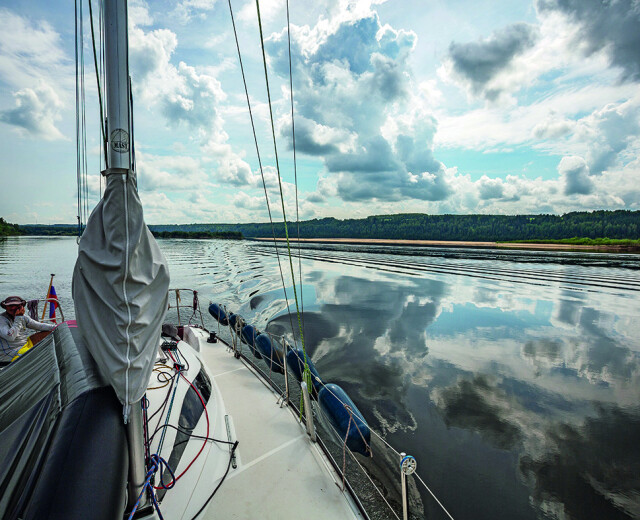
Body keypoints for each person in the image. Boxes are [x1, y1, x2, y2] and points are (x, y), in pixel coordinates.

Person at [0, 296, 56, 366]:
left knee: (48, 333)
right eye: (10, 306)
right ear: (5, 307)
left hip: (24, 345)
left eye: (16, 306)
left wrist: (58, 326)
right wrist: (18, 318)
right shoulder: (2, 320)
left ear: (21, 307)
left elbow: (40, 326)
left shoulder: (23, 317)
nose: (13, 308)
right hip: (10, 353)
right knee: (41, 354)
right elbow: (10, 337)